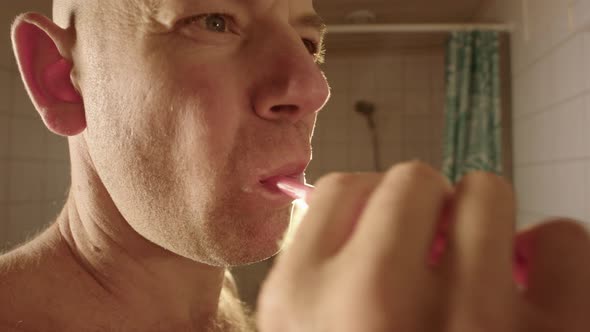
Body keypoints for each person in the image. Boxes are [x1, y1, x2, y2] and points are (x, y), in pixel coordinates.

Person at [1, 0, 589, 331]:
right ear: (62, 80)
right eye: (213, 20)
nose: (312, 87)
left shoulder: (223, 308)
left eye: (309, 44)